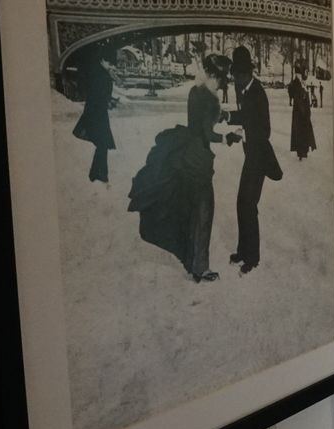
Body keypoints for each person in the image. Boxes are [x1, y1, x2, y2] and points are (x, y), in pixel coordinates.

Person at [127, 53, 227, 282]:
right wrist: (226, 138)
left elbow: (198, 121)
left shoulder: (195, 91)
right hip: (199, 159)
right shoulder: (211, 100)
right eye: (222, 78)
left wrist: (221, 117)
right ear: (214, 76)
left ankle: (193, 261)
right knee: (204, 210)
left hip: (186, 153)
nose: (223, 83)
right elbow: (206, 132)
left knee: (189, 207)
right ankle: (200, 268)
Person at [228, 45, 282, 275]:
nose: (234, 79)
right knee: (242, 203)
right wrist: (228, 116)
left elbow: (264, 130)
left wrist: (245, 134)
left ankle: (252, 257)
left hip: (258, 156)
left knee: (248, 205)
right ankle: (243, 251)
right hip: (251, 155)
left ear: (246, 73)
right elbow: (246, 117)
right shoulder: (245, 90)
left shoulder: (257, 93)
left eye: (237, 75)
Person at [71, 47, 116, 183]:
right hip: (97, 113)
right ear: (102, 60)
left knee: (102, 143)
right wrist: (108, 101)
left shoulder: (97, 72)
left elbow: (93, 92)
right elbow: (100, 95)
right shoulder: (102, 75)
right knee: (103, 143)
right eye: (109, 63)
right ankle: (98, 174)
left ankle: (98, 173)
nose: (111, 66)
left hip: (94, 111)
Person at [287, 62, 317, 161]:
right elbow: (296, 97)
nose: (300, 75)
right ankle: (301, 152)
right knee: (301, 132)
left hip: (303, 112)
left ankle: (304, 151)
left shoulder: (301, 83)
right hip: (300, 113)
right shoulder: (296, 83)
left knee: (304, 132)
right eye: (299, 74)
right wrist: (303, 112)